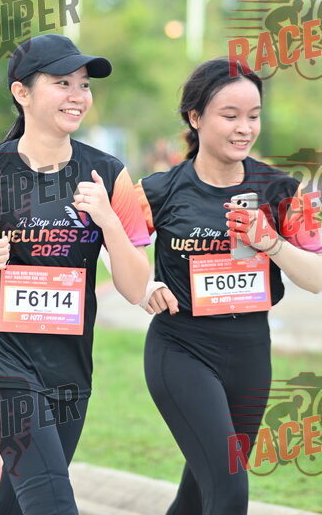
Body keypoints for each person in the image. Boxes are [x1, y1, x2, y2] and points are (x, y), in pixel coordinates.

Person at [0, 34, 150, 515]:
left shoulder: (107, 174)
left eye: (84, 85)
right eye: (62, 83)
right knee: (52, 501)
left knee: (22, 503)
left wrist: (108, 221)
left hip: (69, 371)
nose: (77, 95)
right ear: (21, 92)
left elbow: (135, 287)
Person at [136, 58, 322, 515]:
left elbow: (316, 277)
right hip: (181, 349)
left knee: (198, 496)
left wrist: (271, 242)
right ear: (196, 118)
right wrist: (145, 284)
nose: (245, 128)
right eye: (230, 115)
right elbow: (114, 243)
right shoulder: (159, 189)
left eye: (253, 115)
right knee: (229, 489)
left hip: (251, 352)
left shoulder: (281, 190)